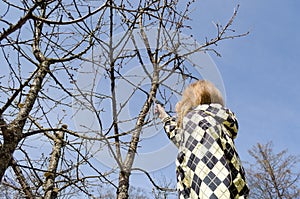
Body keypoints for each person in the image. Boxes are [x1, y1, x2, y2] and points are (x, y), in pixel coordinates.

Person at [155, 80, 249, 199]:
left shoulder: (198, 121)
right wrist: (164, 117)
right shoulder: (216, 121)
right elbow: (180, 137)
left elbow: (210, 173)